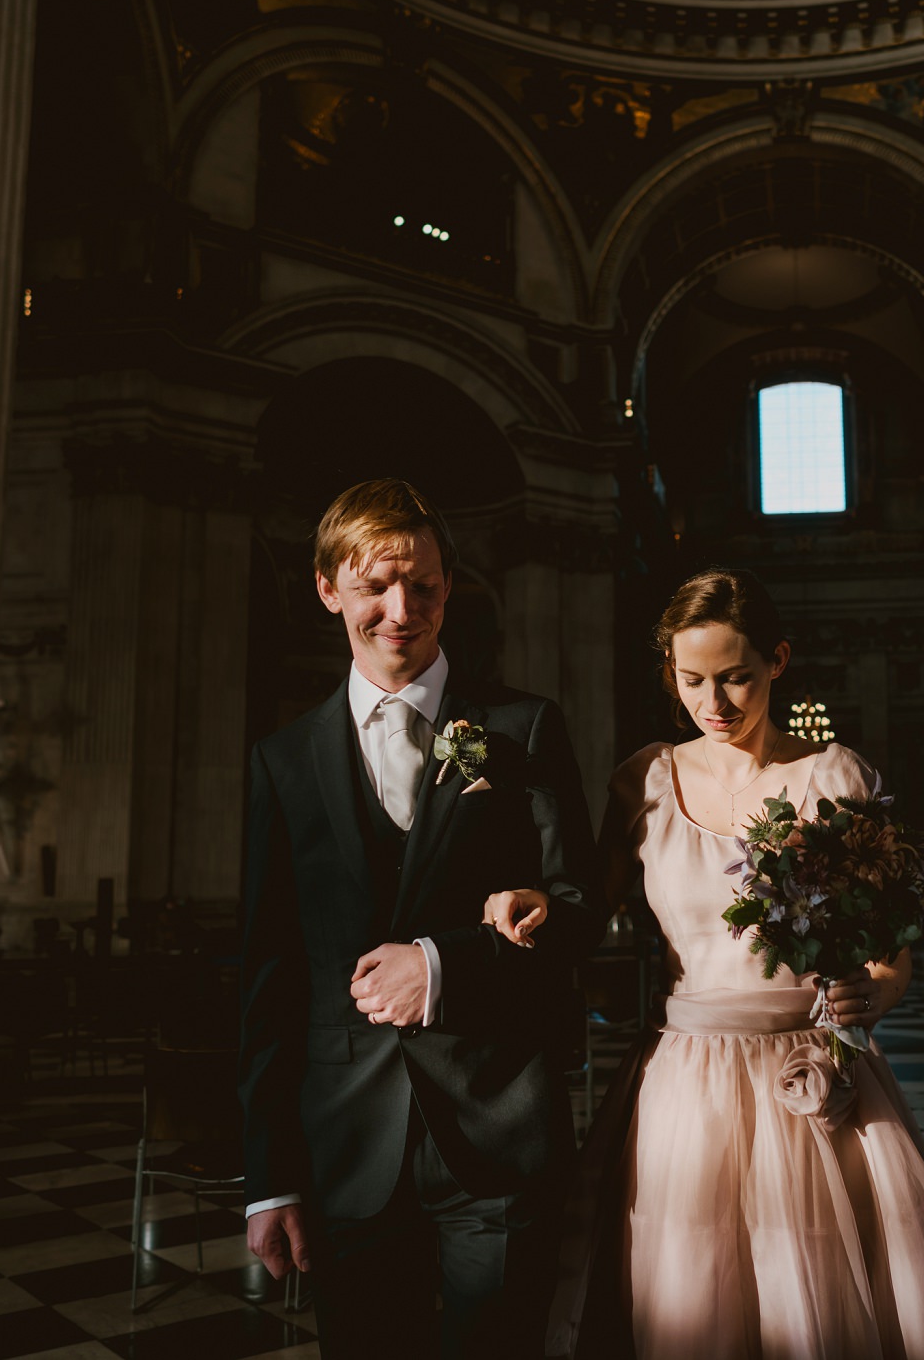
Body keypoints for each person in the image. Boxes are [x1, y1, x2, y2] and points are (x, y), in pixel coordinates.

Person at [509, 568, 924, 1359]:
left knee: (812, 1299)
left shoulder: (831, 776)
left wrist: (868, 995)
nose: (714, 702)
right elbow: (580, 910)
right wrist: (528, 900)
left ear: (778, 660)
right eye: (692, 680)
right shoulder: (646, 780)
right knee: (691, 1297)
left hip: (809, 1075)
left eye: (736, 676)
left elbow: (892, 958)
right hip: (686, 1081)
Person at [237, 479, 602, 1359]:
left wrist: (445, 963)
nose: (402, 610)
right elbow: (269, 974)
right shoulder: (283, 763)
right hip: (347, 1146)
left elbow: (581, 915)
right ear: (328, 588)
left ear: (450, 585)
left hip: (500, 1127)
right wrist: (269, 1180)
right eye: (374, 586)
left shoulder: (522, 728)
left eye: (425, 586)